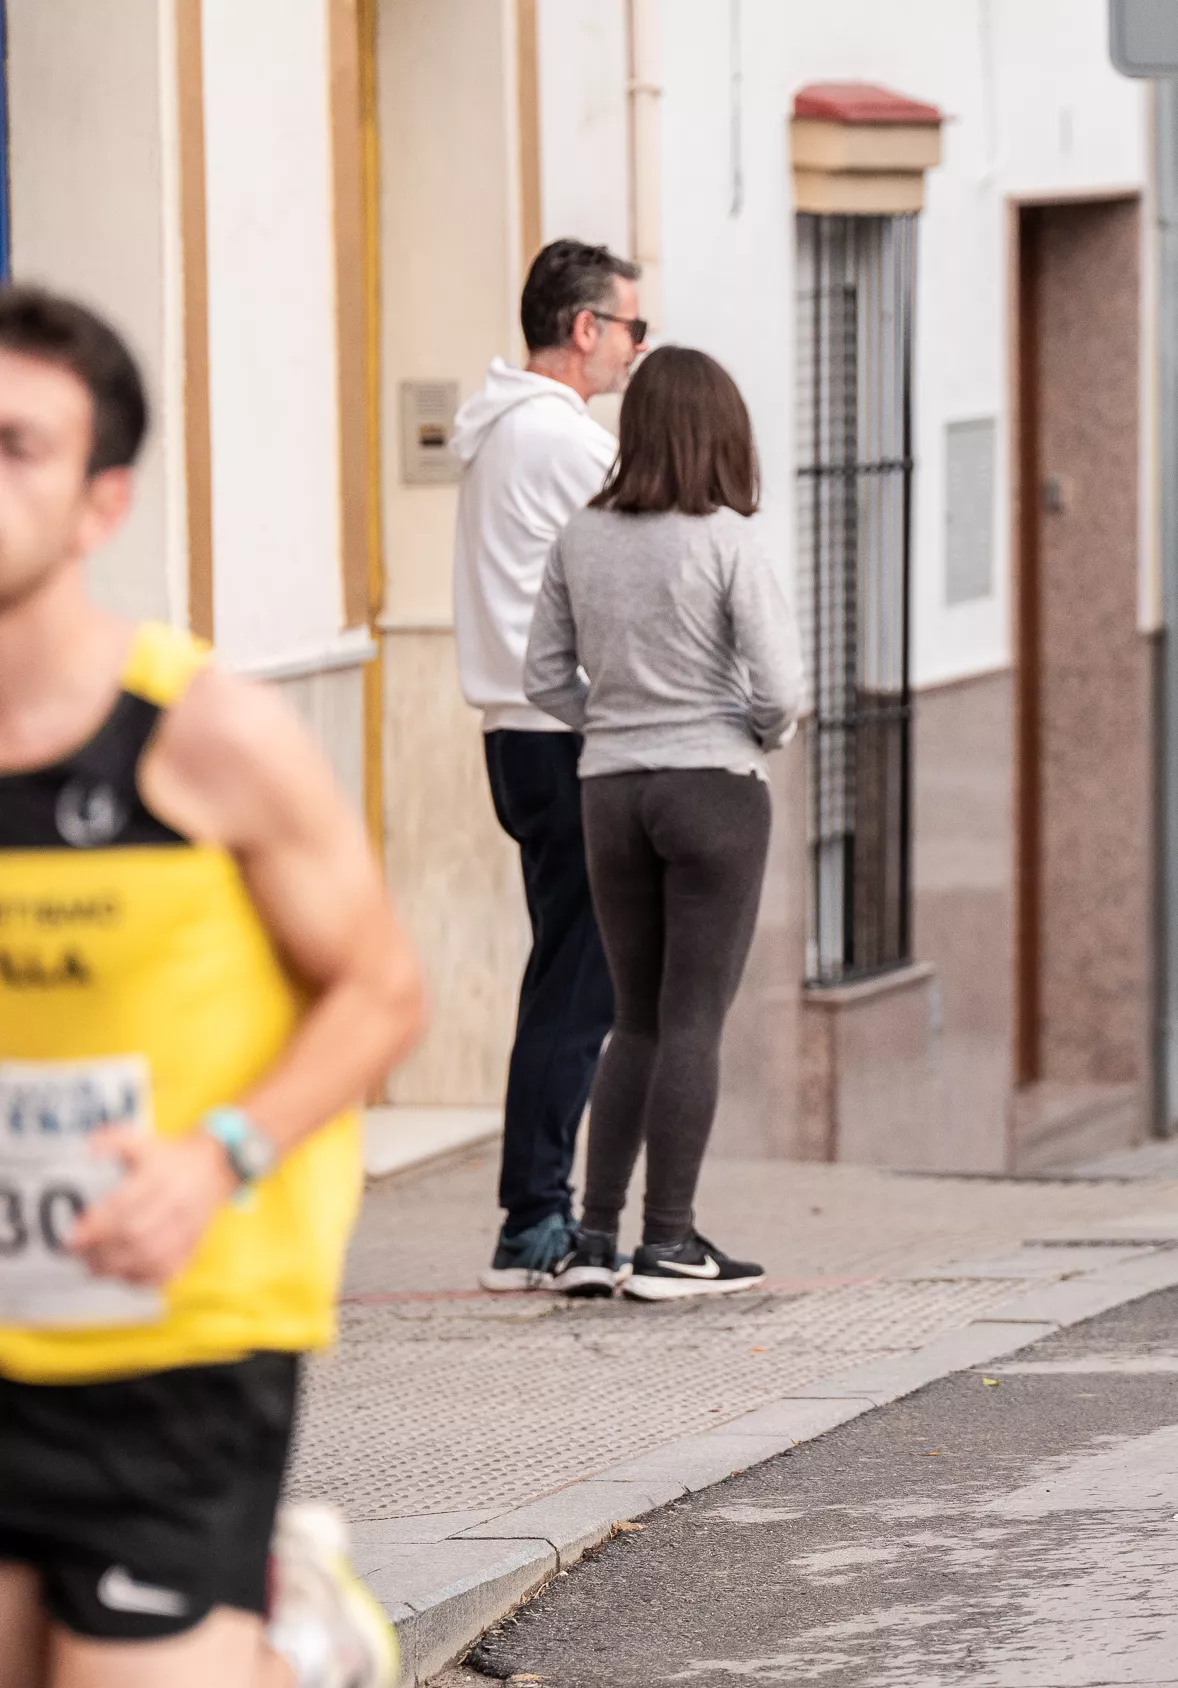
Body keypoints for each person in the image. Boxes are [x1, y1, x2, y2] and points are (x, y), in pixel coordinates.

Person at [0, 287, 425, 1686]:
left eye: (16, 448)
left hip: (173, 1349)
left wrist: (213, 1157)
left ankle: (290, 1643)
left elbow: (379, 992)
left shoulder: (201, 739)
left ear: (100, 504)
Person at [522, 347, 803, 1300]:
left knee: (632, 1019)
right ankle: (671, 1242)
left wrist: (609, 725)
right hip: (713, 789)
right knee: (693, 1021)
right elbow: (781, 689)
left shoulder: (579, 536)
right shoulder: (724, 539)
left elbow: (541, 677)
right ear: (719, 432)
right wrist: (750, 732)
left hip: (609, 790)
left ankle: (595, 1240)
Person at [452, 238, 646, 1292]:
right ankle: (534, 1220)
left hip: (513, 731)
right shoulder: (559, 440)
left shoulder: (499, 431)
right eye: (630, 327)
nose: (634, 349)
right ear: (584, 329)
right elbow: (659, 525)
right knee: (581, 984)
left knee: (564, 975)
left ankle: (536, 1209)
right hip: (562, 732)